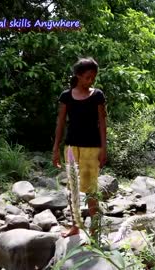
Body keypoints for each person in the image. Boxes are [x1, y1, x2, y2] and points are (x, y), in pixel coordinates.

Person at [52, 57, 107, 237]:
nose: (90, 81)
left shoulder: (98, 96)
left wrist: (104, 149)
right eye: (87, 77)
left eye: (93, 78)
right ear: (77, 76)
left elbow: (102, 123)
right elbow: (60, 123)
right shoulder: (66, 96)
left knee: (91, 189)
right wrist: (55, 149)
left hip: (92, 148)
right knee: (72, 189)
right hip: (71, 148)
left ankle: (94, 230)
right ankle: (76, 226)